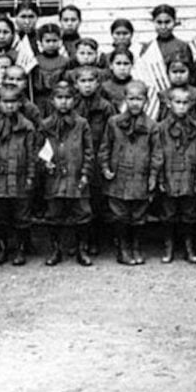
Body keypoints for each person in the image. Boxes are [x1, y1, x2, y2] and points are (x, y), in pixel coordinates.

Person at [99, 80, 161, 265]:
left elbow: (157, 153)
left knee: (139, 215)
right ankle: (123, 248)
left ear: (146, 101)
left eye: (139, 99)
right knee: (120, 215)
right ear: (125, 99)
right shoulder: (114, 122)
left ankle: (135, 246)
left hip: (140, 177)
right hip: (119, 177)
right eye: (131, 98)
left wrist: (153, 176)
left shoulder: (151, 126)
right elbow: (105, 147)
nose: (135, 103)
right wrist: (105, 167)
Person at [38, 81, 94, 267]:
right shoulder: (45, 124)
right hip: (54, 178)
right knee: (54, 213)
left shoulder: (81, 124)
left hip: (76, 176)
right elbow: (38, 149)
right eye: (59, 98)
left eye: (68, 98)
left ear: (74, 100)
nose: (64, 102)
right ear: (52, 101)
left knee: (82, 213)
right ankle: (56, 250)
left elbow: (88, 151)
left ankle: (81, 249)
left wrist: (85, 173)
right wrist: (45, 164)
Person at [0, 85, 38, 266]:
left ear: (20, 103)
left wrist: (31, 177)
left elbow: (31, 154)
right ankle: (2, 249)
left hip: (19, 177)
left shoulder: (27, 127)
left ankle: (21, 249)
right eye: (5, 102)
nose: (9, 106)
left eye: (13, 102)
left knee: (21, 217)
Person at [155, 86, 196, 264]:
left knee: (188, 214)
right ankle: (168, 247)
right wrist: (160, 178)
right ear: (169, 104)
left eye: (185, 103)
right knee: (168, 214)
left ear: (191, 105)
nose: (181, 107)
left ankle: (188, 247)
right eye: (177, 102)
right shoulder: (161, 128)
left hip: (188, 176)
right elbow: (158, 154)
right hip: (169, 174)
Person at [73, 65, 117, 256]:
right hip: (78, 158)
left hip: (98, 157)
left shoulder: (106, 106)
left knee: (98, 200)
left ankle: (97, 240)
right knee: (79, 200)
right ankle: (81, 240)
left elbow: (112, 133)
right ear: (76, 84)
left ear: (98, 83)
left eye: (91, 81)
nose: (87, 85)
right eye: (83, 81)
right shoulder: (72, 105)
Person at [32, 23, 70, 114]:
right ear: (40, 42)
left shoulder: (65, 61)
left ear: (60, 41)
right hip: (39, 101)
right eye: (47, 41)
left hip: (59, 101)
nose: (51, 44)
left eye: (54, 40)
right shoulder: (35, 61)